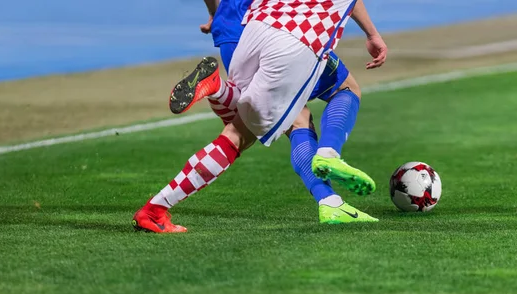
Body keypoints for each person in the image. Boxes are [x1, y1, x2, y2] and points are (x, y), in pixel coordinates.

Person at [133, 0, 387, 233]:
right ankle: (329, 170)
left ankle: (219, 89)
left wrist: (215, 12)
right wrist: (372, 34)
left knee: (287, 117)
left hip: (247, 27)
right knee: (244, 132)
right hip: (296, 34)